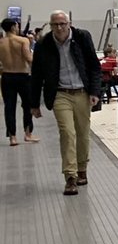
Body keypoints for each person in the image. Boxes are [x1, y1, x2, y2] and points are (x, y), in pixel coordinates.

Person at [28, 11, 102, 195]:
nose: (59, 28)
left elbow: (94, 65)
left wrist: (94, 91)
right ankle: (70, 176)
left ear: (69, 23)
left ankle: (82, 168)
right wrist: (34, 103)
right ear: (50, 25)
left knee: (83, 132)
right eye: (55, 24)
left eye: (62, 24)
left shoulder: (82, 37)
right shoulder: (44, 44)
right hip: (60, 93)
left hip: (82, 92)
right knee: (67, 132)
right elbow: (36, 75)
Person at [1, 17, 39, 146]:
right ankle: (28, 134)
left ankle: (12, 137)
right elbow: (29, 59)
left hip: (7, 77)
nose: (18, 28)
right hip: (23, 77)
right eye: (17, 26)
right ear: (13, 27)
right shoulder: (23, 40)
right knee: (27, 105)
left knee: (9, 107)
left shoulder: (1, 42)